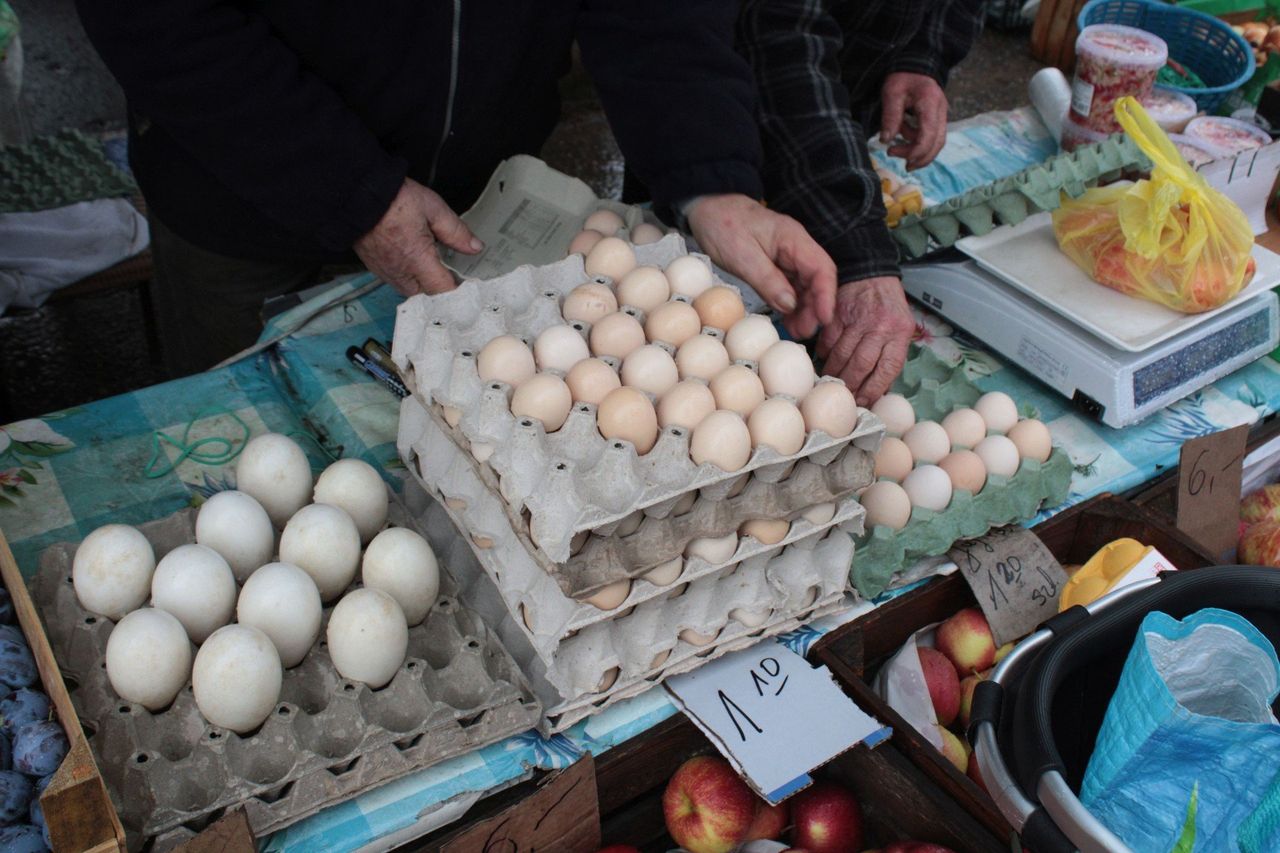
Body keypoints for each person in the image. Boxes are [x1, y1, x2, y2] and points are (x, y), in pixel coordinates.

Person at [75, 1, 836, 376]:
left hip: (481, 208)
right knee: (254, 468)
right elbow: (158, 16)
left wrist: (710, 179)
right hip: (244, 188)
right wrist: (354, 189)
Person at [737, 0, 984, 404]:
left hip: (839, 103)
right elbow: (780, 43)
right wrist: (860, 254)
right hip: (718, 103)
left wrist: (920, 55)